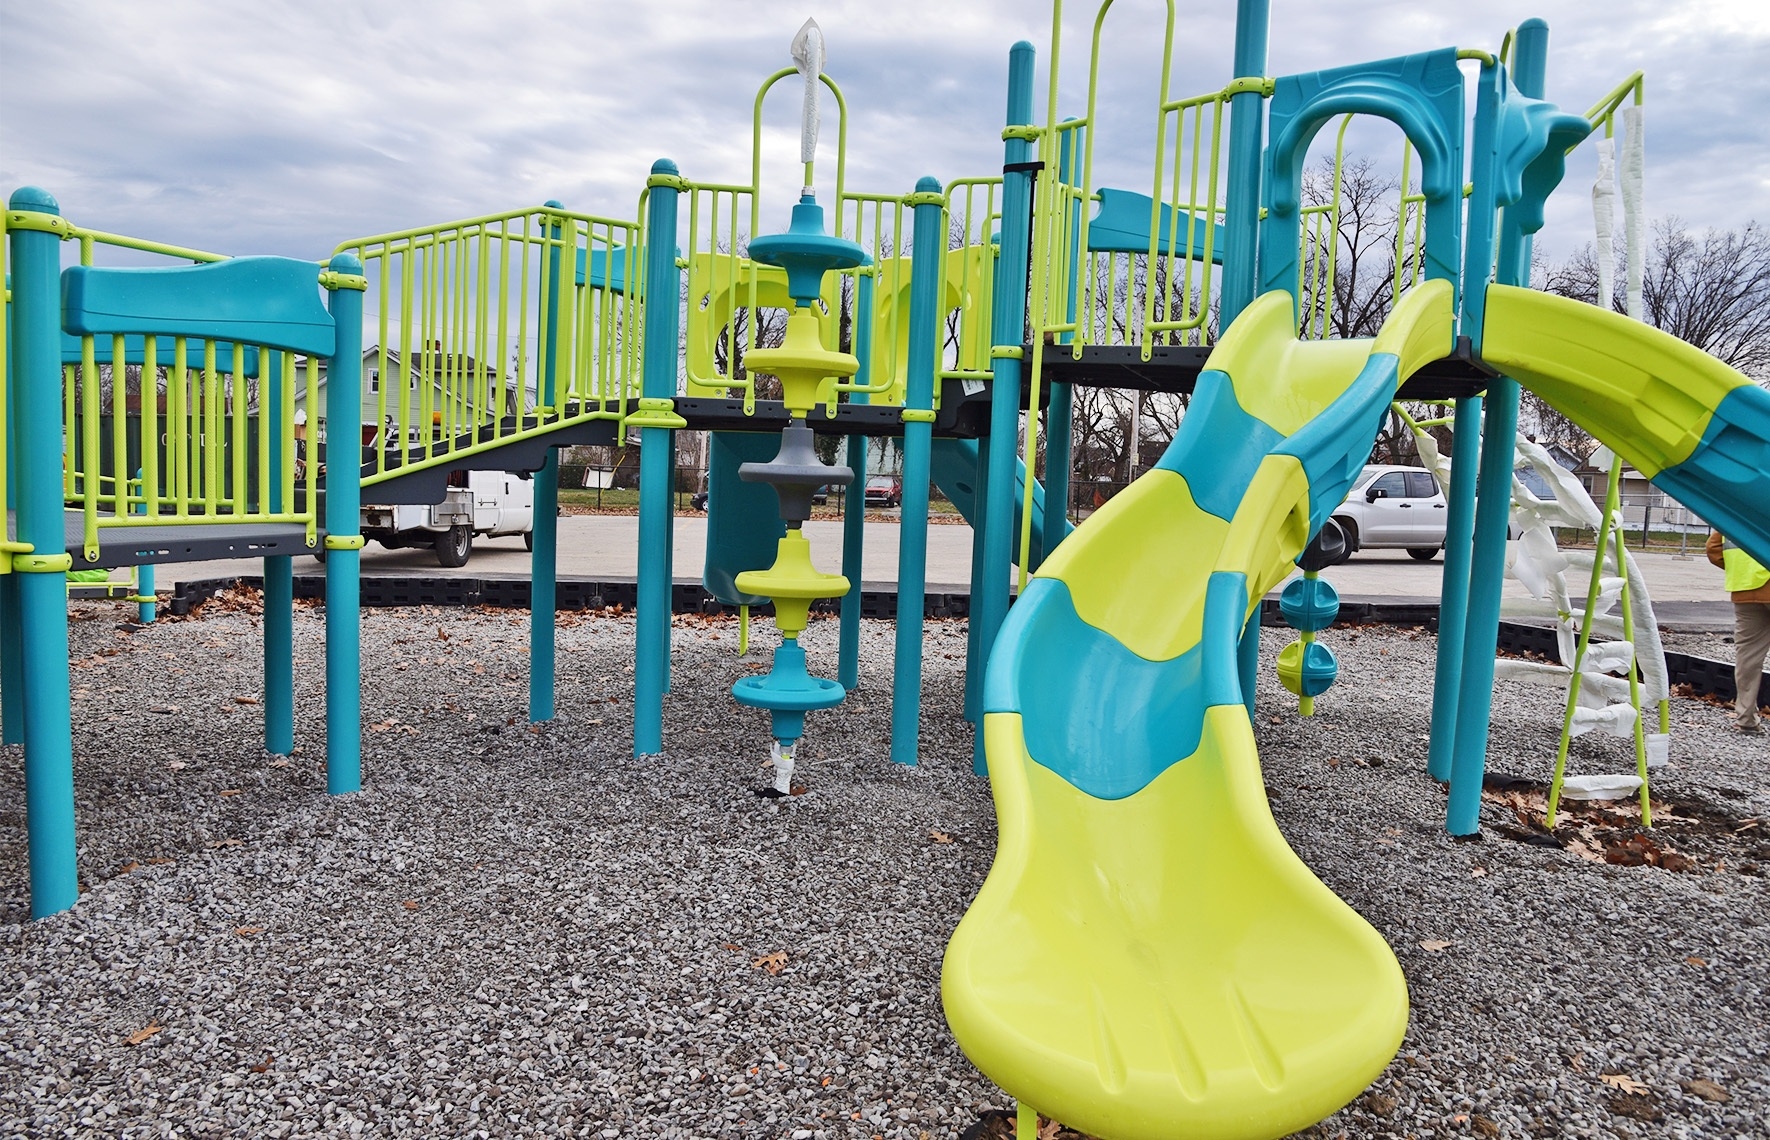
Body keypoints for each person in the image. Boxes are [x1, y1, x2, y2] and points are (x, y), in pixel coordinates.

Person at [1706, 529, 1770, 733]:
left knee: (1748, 659)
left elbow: (1713, 548)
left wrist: (1740, 570)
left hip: (1745, 590)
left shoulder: (1736, 511)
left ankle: (1746, 720)